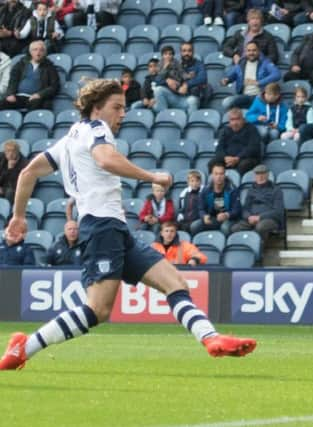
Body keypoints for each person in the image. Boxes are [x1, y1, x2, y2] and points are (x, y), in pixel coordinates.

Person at [0, 79, 256, 371]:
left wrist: (18, 216)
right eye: (116, 107)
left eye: (123, 107)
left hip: (116, 230)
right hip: (100, 227)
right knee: (98, 310)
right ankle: (25, 346)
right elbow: (107, 159)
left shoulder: (69, 139)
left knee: (175, 283)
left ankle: (211, 339)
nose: (122, 114)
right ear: (96, 109)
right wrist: (153, 177)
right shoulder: (97, 129)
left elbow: (28, 172)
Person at [0, 40, 59, 111]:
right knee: (2, 103)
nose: (38, 53)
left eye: (41, 50)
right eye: (35, 50)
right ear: (30, 52)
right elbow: (13, 81)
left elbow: (54, 86)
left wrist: (40, 94)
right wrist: (10, 94)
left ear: (44, 53)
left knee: (37, 104)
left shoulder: (49, 67)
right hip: (18, 96)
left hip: (36, 98)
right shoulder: (21, 64)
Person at [221, 41, 281, 110]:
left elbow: (277, 74)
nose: (251, 53)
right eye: (249, 51)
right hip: (244, 96)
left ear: (258, 51)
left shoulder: (265, 62)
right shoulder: (241, 63)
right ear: (245, 52)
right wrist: (227, 80)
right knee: (227, 102)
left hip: (260, 96)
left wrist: (258, 82)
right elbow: (232, 75)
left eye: (254, 50)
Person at [231, 164, 284, 242]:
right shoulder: (251, 190)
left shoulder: (276, 190)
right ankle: (246, 248)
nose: (260, 177)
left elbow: (278, 211)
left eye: (262, 174)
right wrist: (249, 217)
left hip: (269, 219)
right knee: (235, 228)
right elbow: (245, 208)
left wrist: (260, 217)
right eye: (257, 174)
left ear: (267, 174)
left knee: (260, 227)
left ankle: (258, 250)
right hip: (251, 218)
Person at [191, 162, 241, 236]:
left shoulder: (232, 189)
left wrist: (227, 215)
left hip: (229, 219)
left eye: (221, 174)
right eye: (216, 174)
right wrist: (204, 216)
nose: (219, 177)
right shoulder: (206, 190)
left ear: (225, 175)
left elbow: (237, 209)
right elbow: (201, 208)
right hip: (213, 218)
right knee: (194, 226)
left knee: (225, 228)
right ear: (212, 175)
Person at [153, 43, 203, 116]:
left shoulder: (177, 62)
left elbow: (182, 72)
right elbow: (157, 80)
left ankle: (189, 122)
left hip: (183, 96)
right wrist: (167, 79)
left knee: (193, 100)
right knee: (158, 90)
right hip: (170, 94)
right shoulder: (160, 64)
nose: (168, 56)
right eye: (165, 54)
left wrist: (188, 78)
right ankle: (164, 116)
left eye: (170, 54)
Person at [215, 108, 262, 175]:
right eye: (232, 120)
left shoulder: (251, 129)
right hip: (228, 159)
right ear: (229, 121)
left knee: (244, 165)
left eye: (237, 119)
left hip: (246, 158)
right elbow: (219, 148)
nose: (235, 123)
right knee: (213, 163)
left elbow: (253, 148)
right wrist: (225, 158)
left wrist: (238, 158)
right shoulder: (225, 130)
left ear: (243, 119)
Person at [0, 140, 29, 205]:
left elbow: (16, 185)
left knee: (9, 193)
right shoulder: (1, 158)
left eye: (13, 151)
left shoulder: (24, 164)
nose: (10, 154)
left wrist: (10, 169)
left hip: (15, 189)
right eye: (8, 151)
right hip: (3, 186)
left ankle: (8, 211)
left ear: (18, 152)